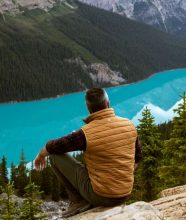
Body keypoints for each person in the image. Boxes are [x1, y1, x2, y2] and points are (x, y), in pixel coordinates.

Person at [33, 88, 142, 218]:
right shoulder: (129, 125)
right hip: (125, 193)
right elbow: (137, 159)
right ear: (108, 103)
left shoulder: (85, 134)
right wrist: (119, 178)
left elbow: (54, 146)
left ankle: (78, 201)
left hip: (100, 196)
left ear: (88, 108)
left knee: (55, 157)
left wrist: (40, 155)